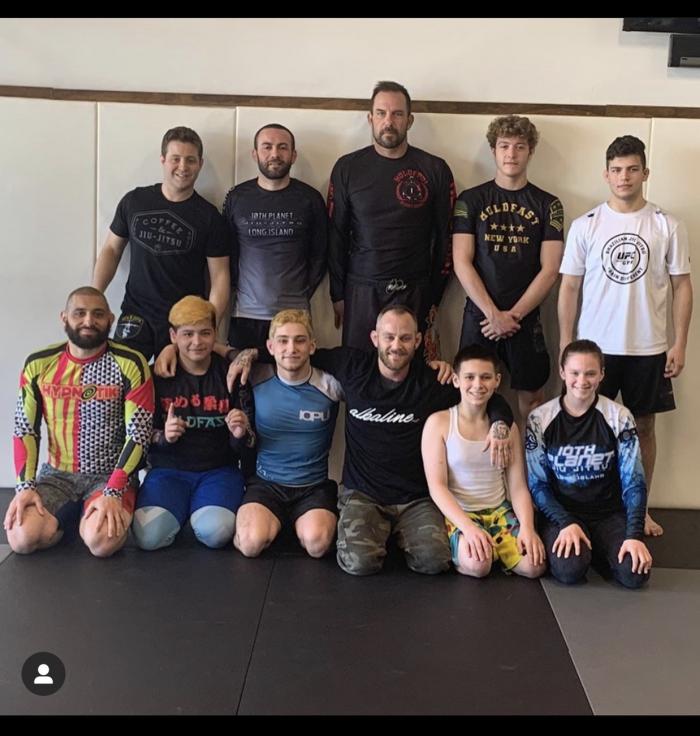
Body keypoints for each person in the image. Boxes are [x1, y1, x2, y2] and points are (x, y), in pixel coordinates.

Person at [230, 305, 514, 576]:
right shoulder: (351, 366)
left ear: (417, 341)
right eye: (389, 337)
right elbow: (294, 355)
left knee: (435, 562)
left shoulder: (431, 381)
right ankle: (380, 534)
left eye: (405, 338)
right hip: (363, 494)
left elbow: (487, 397)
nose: (396, 345)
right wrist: (248, 355)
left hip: (415, 498)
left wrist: (500, 422)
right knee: (358, 564)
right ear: (375, 338)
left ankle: (399, 534)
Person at [558, 134, 692, 537]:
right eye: (616, 170)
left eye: (632, 169)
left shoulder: (667, 225)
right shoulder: (586, 225)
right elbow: (569, 287)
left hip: (648, 347)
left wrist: (680, 342)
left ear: (645, 173)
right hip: (594, 350)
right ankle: (580, 509)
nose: (624, 177)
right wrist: (566, 342)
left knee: (643, 428)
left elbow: (683, 286)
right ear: (606, 174)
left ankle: (640, 509)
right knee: (585, 428)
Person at [5, 286, 154, 557]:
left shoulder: (131, 363)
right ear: (64, 318)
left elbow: (139, 435)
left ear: (110, 319)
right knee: (21, 538)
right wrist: (24, 487)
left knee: (102, 542)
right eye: (80, 313)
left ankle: (86, 520)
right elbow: (25, 430)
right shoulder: (38, 364)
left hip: (109, 475)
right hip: (57, 476)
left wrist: (114, 490)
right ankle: (74, 518)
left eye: (98, 314)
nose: (88, 321)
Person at [328, 81, 455, 359]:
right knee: (359, 370)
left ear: (409, 120)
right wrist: (337, 294)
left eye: (397, 114)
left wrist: (435, 296)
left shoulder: (434, 168)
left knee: (415, 373)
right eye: (381, 113)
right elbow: (336, 234)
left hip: (416, 288)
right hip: (362, 288)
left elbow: (446, 237)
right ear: (370, 118)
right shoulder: (347, 167)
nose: (389, 121)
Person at [453, 115, 564, 425]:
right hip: (480, 316)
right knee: (473, 396)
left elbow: (551, 269)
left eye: (519, 147)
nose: (511, 154)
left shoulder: (549, 204)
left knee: (533, 399)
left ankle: (530, 459)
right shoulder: (470, 200)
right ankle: (480, 458)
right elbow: (461, 261)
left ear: (531, 151)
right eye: (504, 146)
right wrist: (493, 315)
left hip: (524, 319)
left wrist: (511, 317)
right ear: (493, 150)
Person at [92, 126, 231, 360]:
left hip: (185, 322)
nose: (183, 167)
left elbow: (219, 277)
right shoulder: (135, 201)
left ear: (200, 164)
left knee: (174, 383)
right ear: (163, 160)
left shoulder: (210, 217)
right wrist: (94, 297)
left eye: (190, 160)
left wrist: (207, 327)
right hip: (136, 314)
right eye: (175, 159)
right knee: (125, 377)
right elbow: (111, 250)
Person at [526, 340, 652, 588]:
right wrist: (565, 522)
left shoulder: (620, 416)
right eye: (575, 372)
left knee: (634, 574)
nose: (582, 381)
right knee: (569, 571)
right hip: (561, 514)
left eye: (590, 373)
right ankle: (588, 550)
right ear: (562, 372)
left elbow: (634, 482)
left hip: (607, 514)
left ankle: (601, 549)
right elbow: (537, 484)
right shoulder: (540, 418)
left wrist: (634, 535)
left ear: (602, 374)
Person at [132, 296, 252, 551]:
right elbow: (138, 435)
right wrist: (164, 437)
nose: (197, 342)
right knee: (149, 538)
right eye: (188, 334)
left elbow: (249, 443)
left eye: (205, 333)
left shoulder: (232, 374)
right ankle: (181, 508)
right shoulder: (155, 376)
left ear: (215, 334)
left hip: (219, 471)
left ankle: (197, 510)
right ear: (173, 336)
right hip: (167, 471)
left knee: (215, 533)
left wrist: (239, 433)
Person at [422, 345, 545, 578]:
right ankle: (479, 548)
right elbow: (437, 487)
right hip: (461, 512)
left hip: (499, 510)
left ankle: (496, 547)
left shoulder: (507, 428)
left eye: (485, 377)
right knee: (479, 565)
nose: (478, 385)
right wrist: (468, 529)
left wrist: (528, 528)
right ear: (456, 380)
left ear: (497, 381)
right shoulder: (439, 423)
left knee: (534, 566)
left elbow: (518, 486)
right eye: (469, 377)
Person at [233, 309, 343, 559]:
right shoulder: (255, 376)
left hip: (313, 487)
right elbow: (218, 353)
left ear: (312, 346)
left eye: (299, 340)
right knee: (250, 544)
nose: (291, 348)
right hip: (266, 484)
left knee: (317, 545)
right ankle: (270, 523)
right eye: (283, 341)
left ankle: (294, 524)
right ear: (270, 347)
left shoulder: (331, 385)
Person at [223, 124, 328, 352]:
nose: (275, 154)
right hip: (246, 314)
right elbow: (227, 252)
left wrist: (299, 294)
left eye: (282, 147)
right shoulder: (237, 197)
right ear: (255, 154)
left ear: (293, 155)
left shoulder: (310, 199)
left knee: (292, 374)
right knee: (243, 374)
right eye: (267, 147)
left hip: (295, 317)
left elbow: (320, 255)